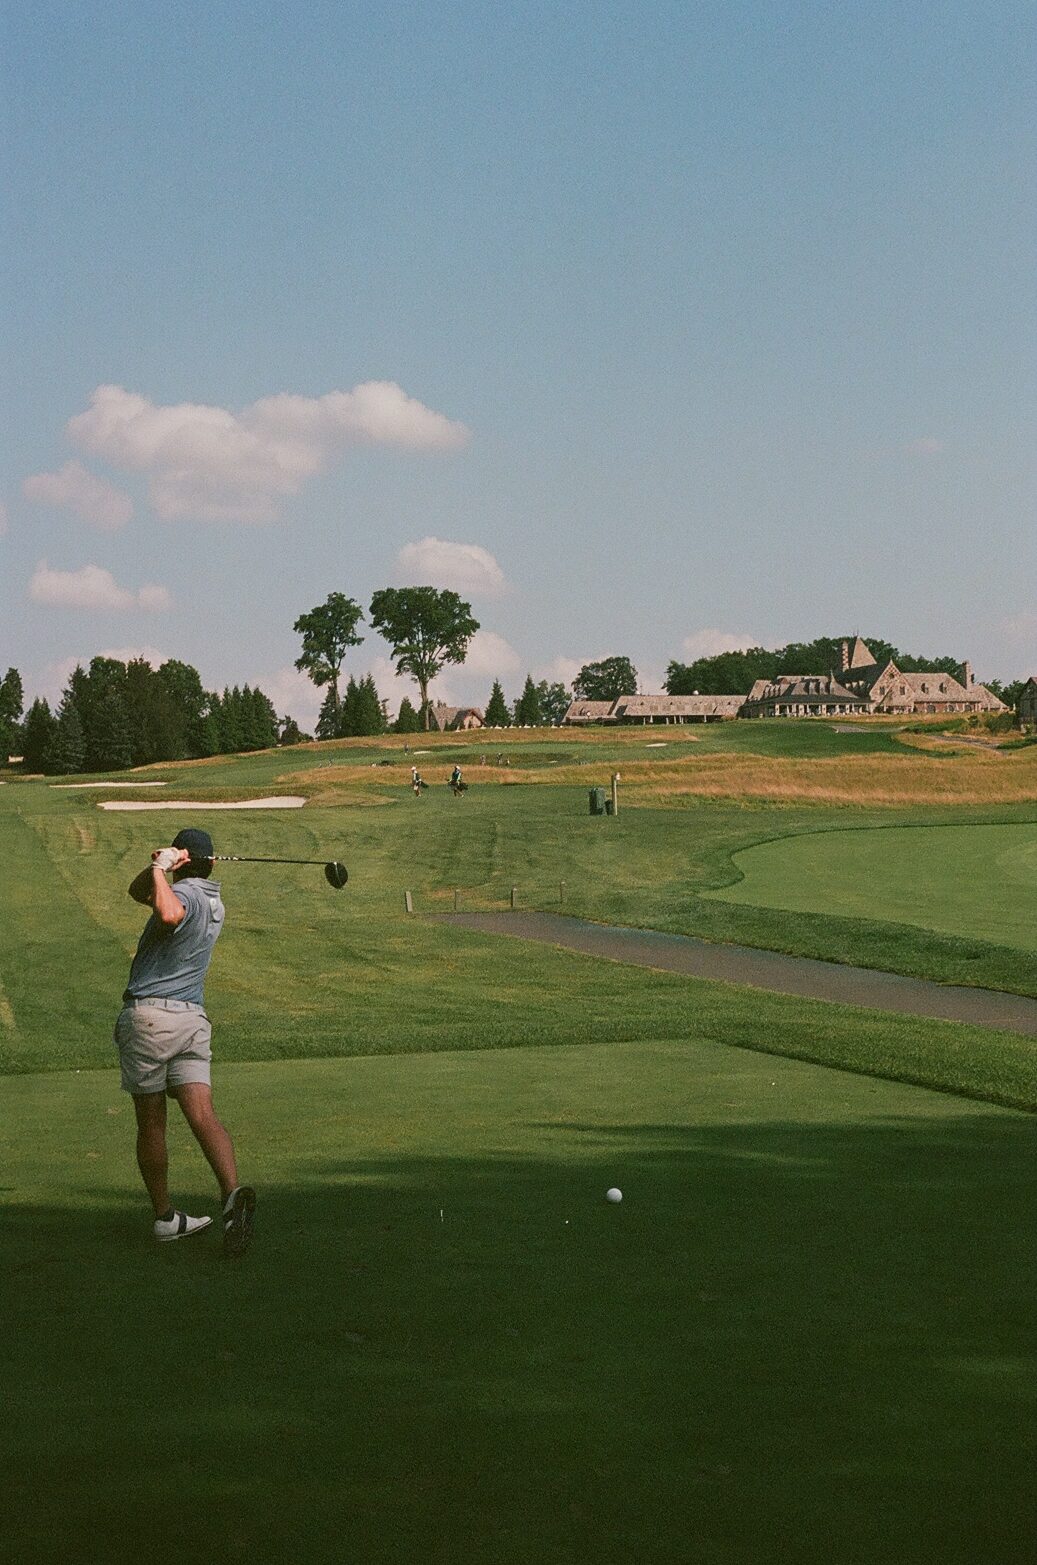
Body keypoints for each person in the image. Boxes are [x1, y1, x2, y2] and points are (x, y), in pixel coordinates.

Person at [115, 827, 255, 1255]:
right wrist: (156, 867)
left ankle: (164, 1218)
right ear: (211, 863)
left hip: (152, 1019)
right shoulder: (215, 902)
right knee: (202, 1113)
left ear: (183, 862)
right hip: (193, 1020)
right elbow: (140, 891)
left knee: (152, 1121)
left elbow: (170, 914)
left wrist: (164, 869)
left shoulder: (187, 897)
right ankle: (231, 1198)